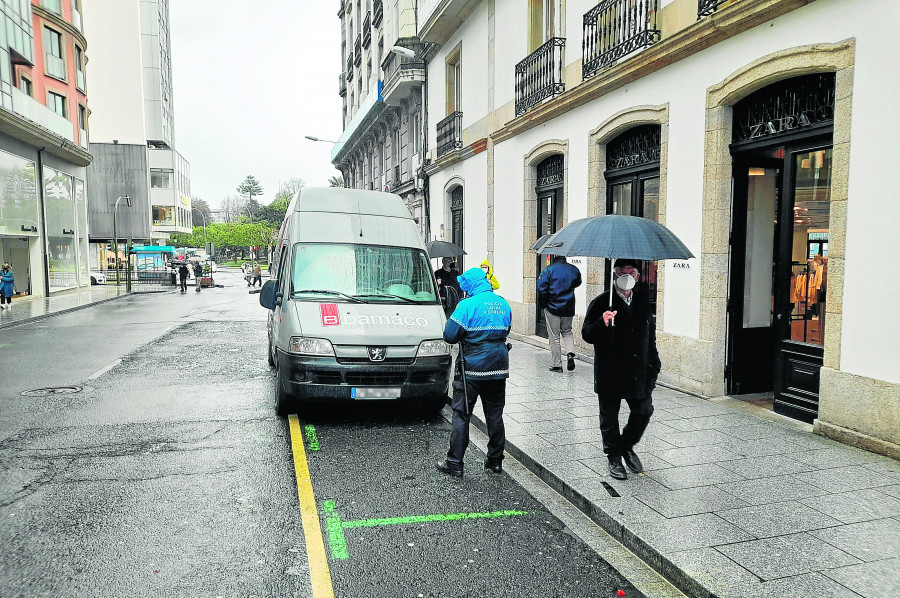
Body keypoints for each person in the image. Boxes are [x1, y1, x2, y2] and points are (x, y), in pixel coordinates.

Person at [581, 259, 660, 481]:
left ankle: (626, 445)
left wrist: (654, 363)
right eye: (623, 272)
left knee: (644, 410)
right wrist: (601, 322)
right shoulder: (601, 302)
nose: (628, 276)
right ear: (615, 274)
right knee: (610, 417)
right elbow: (586, 334)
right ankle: (614, 457)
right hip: (611, 371)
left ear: (637, 276)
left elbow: (649, 335)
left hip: (639, 371)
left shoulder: (643, 301)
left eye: (632, 272)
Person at [436, 268, 512, 477]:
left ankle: (455, 462)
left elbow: (450, 335)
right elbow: (506, 330)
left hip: (472, 368)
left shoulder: (466, 305)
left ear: (470, 284)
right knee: (495, 415)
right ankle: (495, 461)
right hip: (498, 366)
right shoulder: (503, 303)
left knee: (461, 414)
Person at [538, 255, 582, 373]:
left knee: (554, 336)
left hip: (553, 306)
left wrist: (543, 304)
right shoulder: (574, 269)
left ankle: (557, 365)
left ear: (554, 257)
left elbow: (541, 288)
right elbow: (578, 282)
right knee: (567, 331)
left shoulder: (548, 270)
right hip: (568, 305)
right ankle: (570, 353)